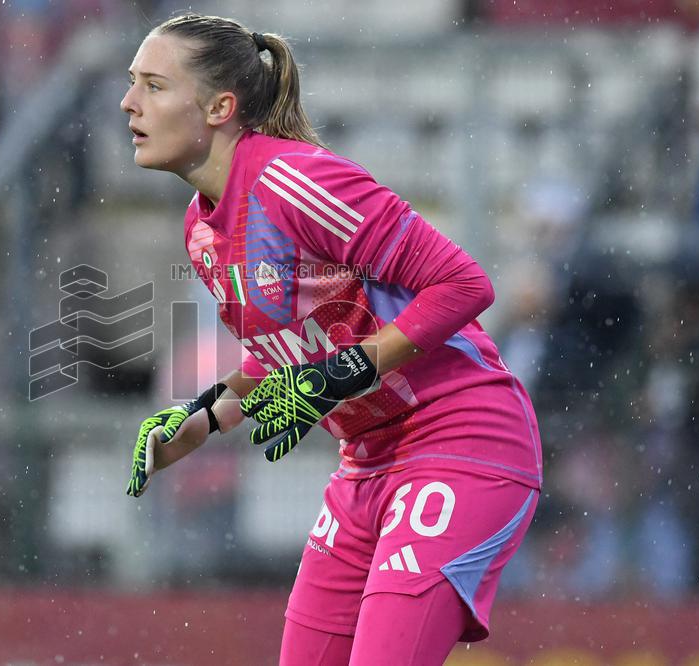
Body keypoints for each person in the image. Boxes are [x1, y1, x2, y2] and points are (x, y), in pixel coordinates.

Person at [121, 13, 542, 665]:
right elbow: (286, 356)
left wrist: (345, 373)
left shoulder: (297, 181)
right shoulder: (199, 231)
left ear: (218, 107)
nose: (128, 103)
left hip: (462, 440)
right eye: (131, 83)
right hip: (365, 464)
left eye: (152, 85)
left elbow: (464, 285)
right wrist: (204, 419)